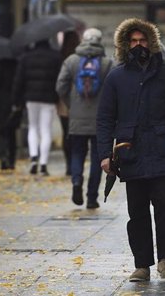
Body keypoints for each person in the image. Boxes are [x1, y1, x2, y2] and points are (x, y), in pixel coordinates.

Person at [97, 18, 165, 282]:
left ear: (151, 43)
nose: (138, 45)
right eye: (133, 41)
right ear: (125, 44)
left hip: (164, 150)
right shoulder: (116, 77)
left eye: (142, 40)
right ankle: (142, 264)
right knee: (137, 212)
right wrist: (104, 154)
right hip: (131, 153)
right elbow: (105, 117)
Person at [56, 28, 113, 209]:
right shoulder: (107, 63)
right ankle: (91, 197)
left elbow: (60, 86)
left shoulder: (71, 61)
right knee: (98, 158)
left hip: (76, 118)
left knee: (77, 153)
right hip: (100, 121)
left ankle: (76, 182)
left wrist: (71, 104)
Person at [12, 39, 63, 175]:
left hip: (31, 98)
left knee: (33, 127)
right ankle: (43, 164)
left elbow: (19, 80)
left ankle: (34, 157)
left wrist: (16, 99)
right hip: (48, 99)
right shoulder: (56, 57)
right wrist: (58, 97)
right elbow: (60, 79)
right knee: (46, 130)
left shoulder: (26, 57)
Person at [58, 30, 81, 175]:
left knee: (66, 133)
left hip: (63, 102)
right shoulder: (80, 58)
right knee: (76, 135)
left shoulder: (60, 58)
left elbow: (59, 83)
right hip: (79, 101)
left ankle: (68, 165)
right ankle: (75, 163)